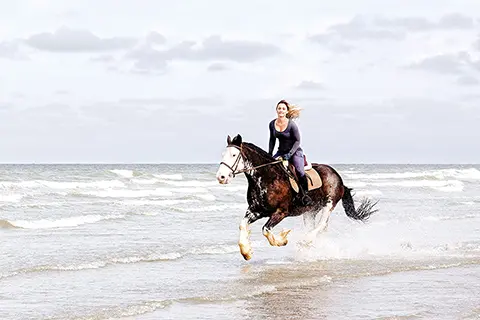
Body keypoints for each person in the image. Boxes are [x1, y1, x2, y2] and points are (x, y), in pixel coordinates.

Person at [268, 99, 312, 206]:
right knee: (269, 168)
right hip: (281, 151)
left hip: (295, 151)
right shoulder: (272, 124)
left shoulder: (292, 125)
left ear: (287, 111)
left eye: (283, 109)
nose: (281, 110)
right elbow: (272, 140)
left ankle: (305, 195)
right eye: (279, 108)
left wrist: (289, 154)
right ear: (276, 110)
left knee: (300, 171)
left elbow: (297, 141)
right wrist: (269, 154)